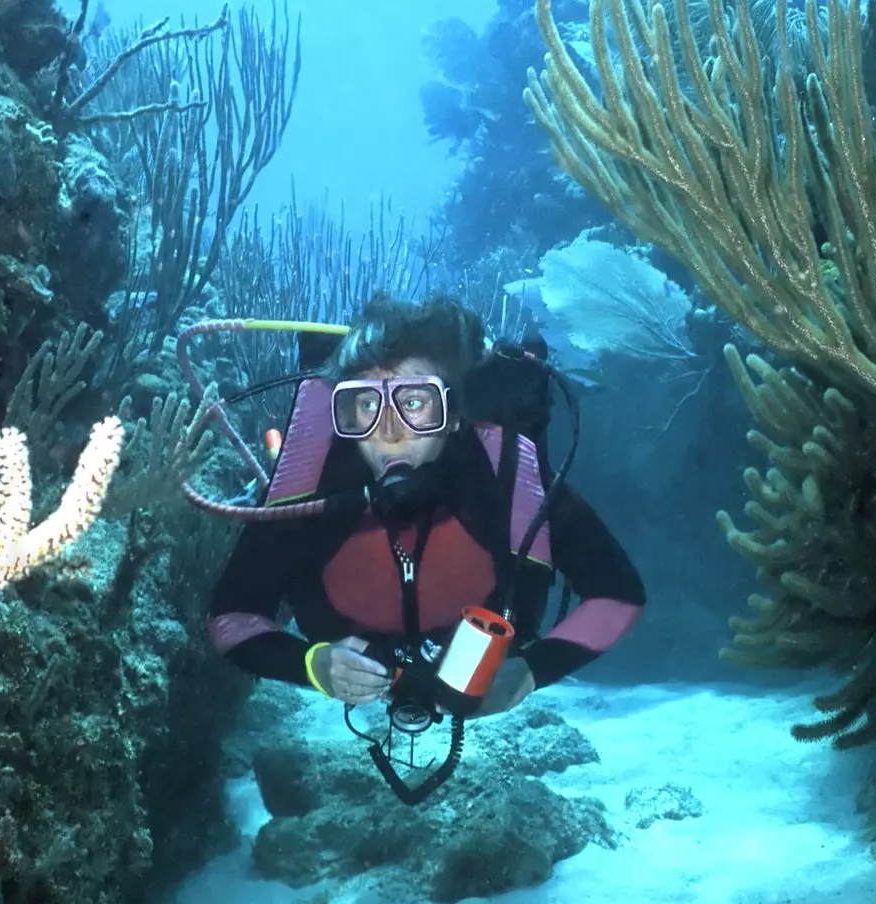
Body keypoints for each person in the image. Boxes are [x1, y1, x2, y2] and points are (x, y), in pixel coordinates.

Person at [206, 294, 645, 715]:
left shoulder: (504, 478)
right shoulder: (315, 490)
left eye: (414, 402)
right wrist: (311, 665)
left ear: (453, 414)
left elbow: (618, 594)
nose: (390, 431)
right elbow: (232, 616)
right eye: (366, 404)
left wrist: (528, 673)